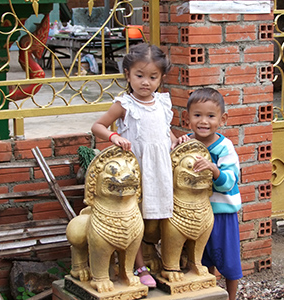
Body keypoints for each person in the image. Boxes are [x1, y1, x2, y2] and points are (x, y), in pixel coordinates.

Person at [91, 43, 181, 288]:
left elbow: (164, 131)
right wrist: (114, 137)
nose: (145, 82)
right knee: (137, 217)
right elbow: (97, 126)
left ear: (161, 77)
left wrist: (176, 141)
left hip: (160, 171)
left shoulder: (162, 102)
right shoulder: (125, 104)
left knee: (160, 216)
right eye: (139, 76)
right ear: (128, 74)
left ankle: (163, 260)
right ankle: (138, 266)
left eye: (153, 77)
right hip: (136, 172)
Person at [182, 87, 243, 300]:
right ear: (186, 117)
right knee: (200, 258)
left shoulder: (225, 148)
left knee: (228, 258)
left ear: (222, 119)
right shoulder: (186, 144)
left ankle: (231, 297)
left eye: (210, 116)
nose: (203, 121)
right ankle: (209, 295)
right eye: (197, 115)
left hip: (221, 213)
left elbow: (229, 182)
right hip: (196, 213)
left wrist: (214, 169)